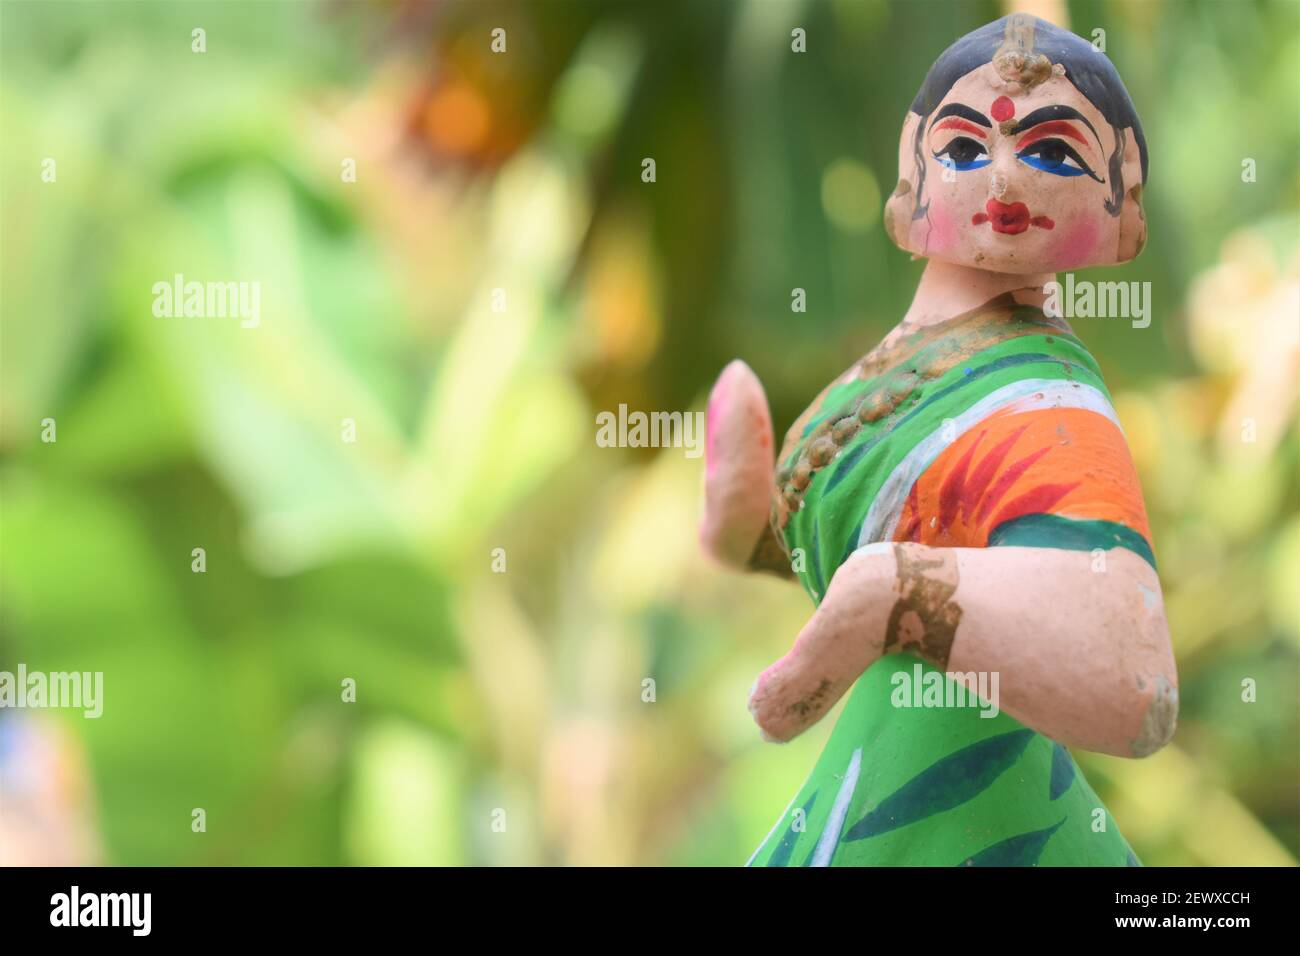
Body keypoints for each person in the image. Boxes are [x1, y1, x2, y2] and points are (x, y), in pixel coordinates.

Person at [699, 14, 1175, 867]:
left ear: (1121, 200)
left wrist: (896, 595)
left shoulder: (1045, 402)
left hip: (966, 805)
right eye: (962, 149)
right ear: (911, 173)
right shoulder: (919, 365)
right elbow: (880, 530)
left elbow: (1132, 679)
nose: (1003, 178)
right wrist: (755, 537)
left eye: (1053, 153)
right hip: (893, 784)